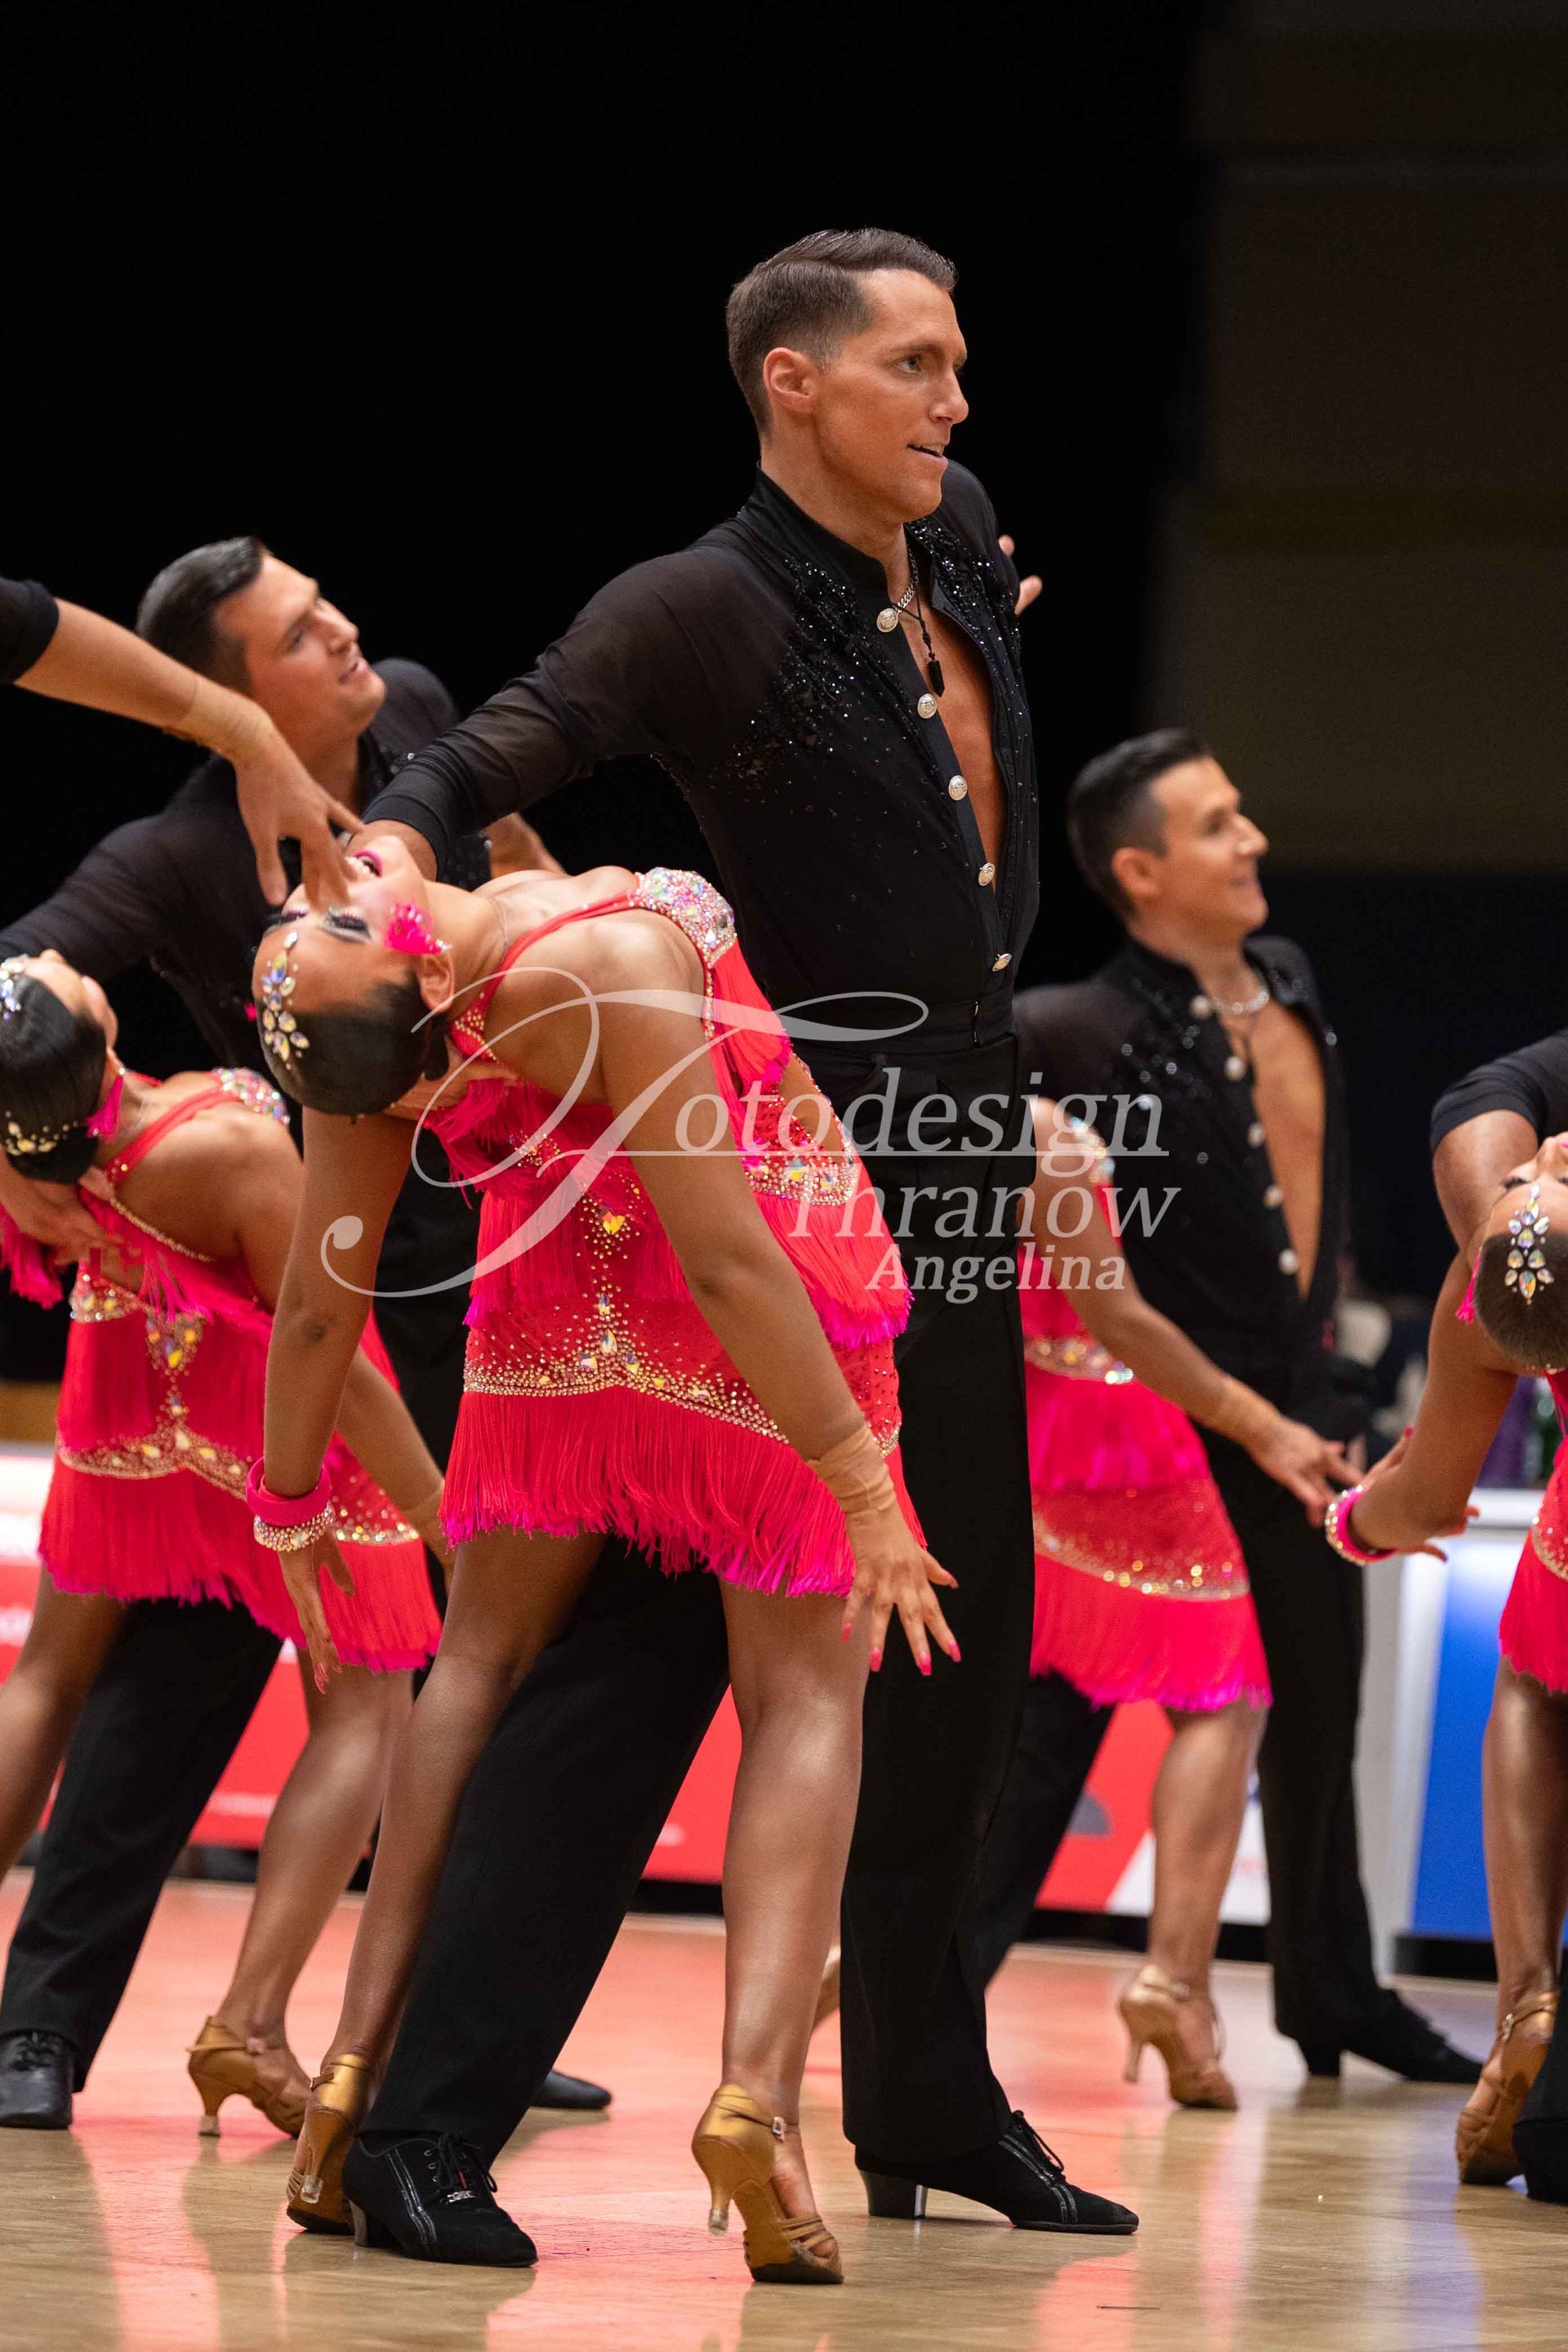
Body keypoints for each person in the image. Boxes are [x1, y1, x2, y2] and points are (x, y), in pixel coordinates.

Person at [333, 226, 1134, 2241]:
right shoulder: (696, 602)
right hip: (789, 1141)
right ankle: (426, 2124)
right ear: (793, 380)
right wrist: (379, 882)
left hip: (957, 1125)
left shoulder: (958, 531)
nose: (955, 400)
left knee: (960, 1638)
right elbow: (483, 751)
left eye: (958, 363)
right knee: (643, 1655)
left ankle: (923, 2100)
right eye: (915, 364)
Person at [246, 847, 965, 2276]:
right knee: (804, 1701)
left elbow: (325, 1296)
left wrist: (288, 1502)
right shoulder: (609, 962)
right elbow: (729, 1259)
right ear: (420, 968)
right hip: (749, 1325)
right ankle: (759, 2103)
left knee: (473, 1665)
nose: (331, 875)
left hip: (550, 1330)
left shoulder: (357, 1045)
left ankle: (349, 2073)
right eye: (327, 910)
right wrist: (863, 1486)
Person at [0, 541, 605, 2118]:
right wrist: (23, 1159)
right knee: (186, 1672)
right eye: (297, 629)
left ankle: (459, 2022)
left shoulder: (416, 715)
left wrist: (562, 921)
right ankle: (42, 2032)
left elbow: (520, 851)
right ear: (224, 694)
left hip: (504, 1261)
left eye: (329, 603)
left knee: (488, 1663)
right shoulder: (174, 852)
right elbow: (20, 983)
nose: (343, 630)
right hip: (307, 1277)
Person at [1015, 730, 1477, 2084]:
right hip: (1166, 1418)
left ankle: (1333, 1997)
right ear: (1141, 872)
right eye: (1217, 825)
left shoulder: (1289, 977)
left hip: (1306, 1399)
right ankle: (925, 1981)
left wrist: (1337, 1360)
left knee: (1317, 1701)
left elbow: (1311, 1189)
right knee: (1057, 1721)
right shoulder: (1072, 1031)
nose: (1254, 838)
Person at [0, 950, 441, 2133]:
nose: (51, 957)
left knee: (47, 1675)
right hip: (273, 1417)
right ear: (94, 1034)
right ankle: (249, 2021)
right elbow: (321, 1338)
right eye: (50, 977)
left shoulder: (40, 1151)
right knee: (366, 1703)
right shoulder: (226, 1147)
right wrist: (435, 1507)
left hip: (127, 1387)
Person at [973, 1101, 1352, 2105]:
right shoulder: (1040, 1126)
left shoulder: (913, 1110)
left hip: (1021, 1420)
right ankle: (1173, 1982)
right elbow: (1120, 1316)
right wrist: (1262, 1424)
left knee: (1036, 1712)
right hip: (1113, 1433)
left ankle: (889, 1960)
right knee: (1225, 1689)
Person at [1385, 1028, 1568, 2194]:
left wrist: (1352, 1520)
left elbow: (1420, 1498)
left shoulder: (1500, 1283)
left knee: (1534, 1676)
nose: (1538, 1160)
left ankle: (1525, 2000)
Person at [1, 572, 354, 902]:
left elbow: (28, 628)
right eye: (296, 638)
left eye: (320, 601)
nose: (347, 632)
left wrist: (247, 732)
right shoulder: (174, 853)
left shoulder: (388, 693)